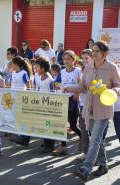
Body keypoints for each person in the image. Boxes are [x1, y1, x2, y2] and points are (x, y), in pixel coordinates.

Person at [64, 41, 120, 181]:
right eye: (92, 50)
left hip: (104, 109)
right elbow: (83, 86)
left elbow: (119, 86)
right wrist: (70, 88)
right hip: (89, 108)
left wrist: (111, 90)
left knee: (94, 139)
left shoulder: (112, 68)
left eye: (96, 51)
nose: (93, 53)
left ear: (105, 53)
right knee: (97, 138)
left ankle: (86, 168)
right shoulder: (87, 67)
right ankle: (103, 164)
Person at [53, 50, 82, 156]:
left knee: (73, 125)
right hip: (63, 100)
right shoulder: (62, 71)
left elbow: (81, 84)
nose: (66, 61)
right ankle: (63, 146)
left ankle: (83, 138)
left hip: (73, 100)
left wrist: (77, 93)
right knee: (61, 124)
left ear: (74, 60)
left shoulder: (78, 71)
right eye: (64, 59)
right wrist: (57, 85)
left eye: (69, 59)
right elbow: (58, 83)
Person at [76, 49, 92, 160]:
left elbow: (92, 89)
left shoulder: (95, 70)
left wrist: (81, 89)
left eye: (87, 58)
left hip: (92, 105)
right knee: (83, 128)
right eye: (83, 58)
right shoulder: (81, 70)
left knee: (93, 131)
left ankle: (95, 156)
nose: (84, 60)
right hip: (82, 104)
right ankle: (86, 152)